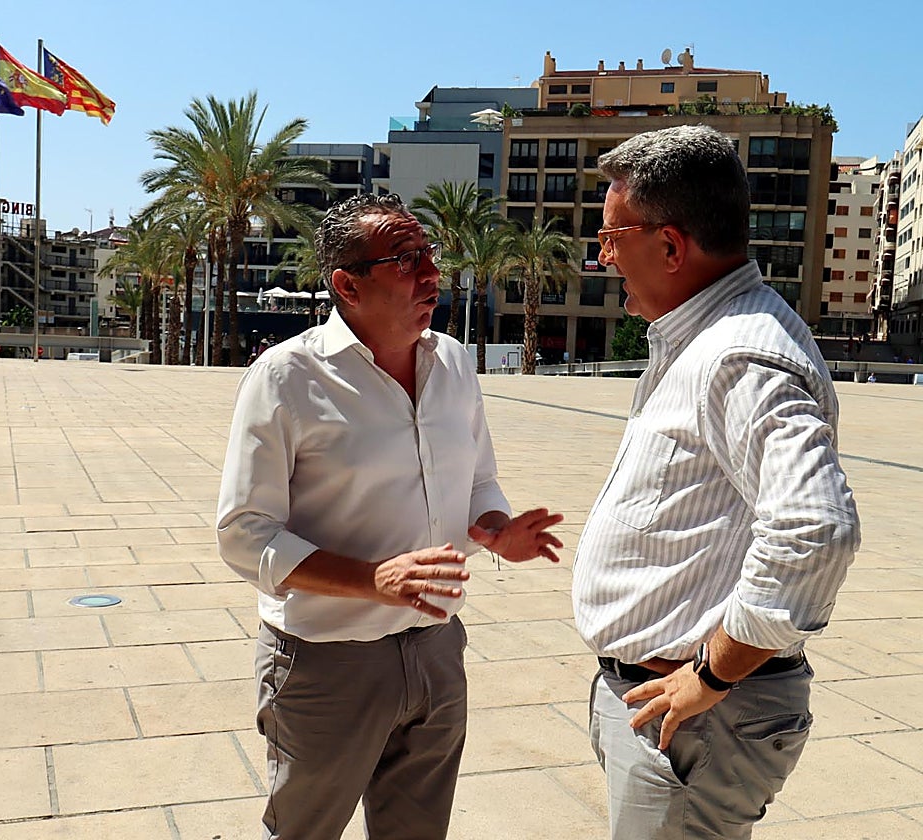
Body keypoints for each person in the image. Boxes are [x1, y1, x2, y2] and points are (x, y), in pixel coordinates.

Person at [217, 193, 564, 840]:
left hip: (436, 652)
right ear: (347, 284)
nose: (432, 273)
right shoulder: (286, 378)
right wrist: (369, 580)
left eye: (429, 254)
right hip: (327, 662)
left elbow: (478, 478)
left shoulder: (454, 362)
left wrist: (493, 527)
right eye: (406, 261)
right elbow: (244, 535)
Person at [573, 125, 860, 839]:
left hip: (704, 719)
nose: (604, 257)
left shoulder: (739, 355)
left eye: (613, 238)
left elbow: (815, 530)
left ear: (670, 247)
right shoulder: (700, 337)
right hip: (673, 711)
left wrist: (713, 674)